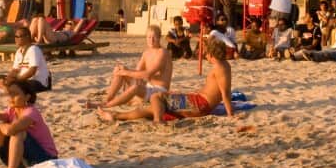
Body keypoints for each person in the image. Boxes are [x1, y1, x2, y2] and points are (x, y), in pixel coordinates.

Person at [98, 35, 235, 124]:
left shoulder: (219, 68)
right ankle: (115, 115)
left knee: (157, 97)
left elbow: (225, 93)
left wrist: (230, 115)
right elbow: (216, 91)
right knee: (152, 108)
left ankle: (158, 121)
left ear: (211, 54)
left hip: (201, 105)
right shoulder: (223, 65)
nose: (205, 56)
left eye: (206, 54)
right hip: (199, 101)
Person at [99, 24, 172, 109]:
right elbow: (137, 71)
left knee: (134, 84)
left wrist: (126, 72)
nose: (151, 40)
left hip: (159, 91)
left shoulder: (163, 53)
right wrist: (123, 71)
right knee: (120, 69)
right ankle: (108, 99)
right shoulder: (146, 53)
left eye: (154, 37)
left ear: (159, 38)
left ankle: (106, 105)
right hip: (147, 87)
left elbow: (148, 74)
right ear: (146, 38)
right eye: (149, 37)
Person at [0, 26, 51, 95]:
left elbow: (32, 71)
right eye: (15, 36)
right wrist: (9, 78)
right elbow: (15, 70)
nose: (16, 39)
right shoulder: (19, 51)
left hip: (38, 82)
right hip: (23, 79)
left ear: (27, 37)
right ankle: (9, 88)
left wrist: (17, 80)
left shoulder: (33, 49)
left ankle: (10, 89)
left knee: (17, 86)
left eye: (18, 36)